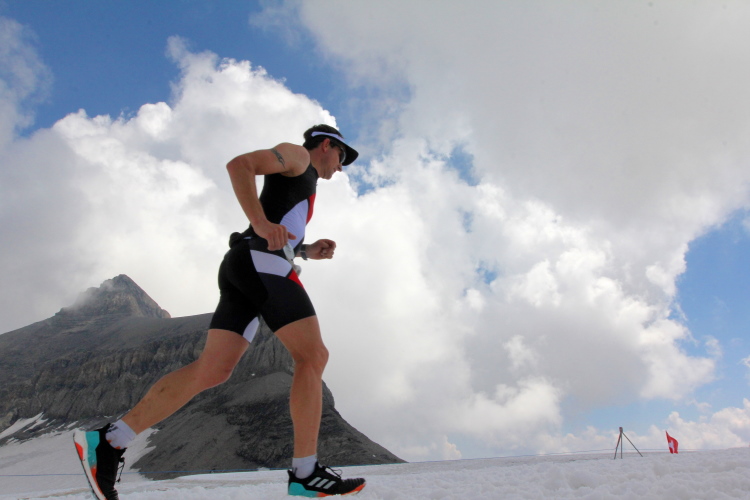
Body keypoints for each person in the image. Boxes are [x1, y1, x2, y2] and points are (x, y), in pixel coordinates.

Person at [74, 124, 366, 499]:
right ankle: (305, 473)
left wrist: (306, 251)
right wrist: (260, 223)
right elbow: (239, 165)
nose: (341, 167)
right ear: (326, 145)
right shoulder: (297, 155)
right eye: (342, 156)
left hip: (247, 263)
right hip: (261, 260)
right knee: (313, 356)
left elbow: (280, 225)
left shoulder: (302, 177)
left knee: (213, 369)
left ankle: (111, 440)